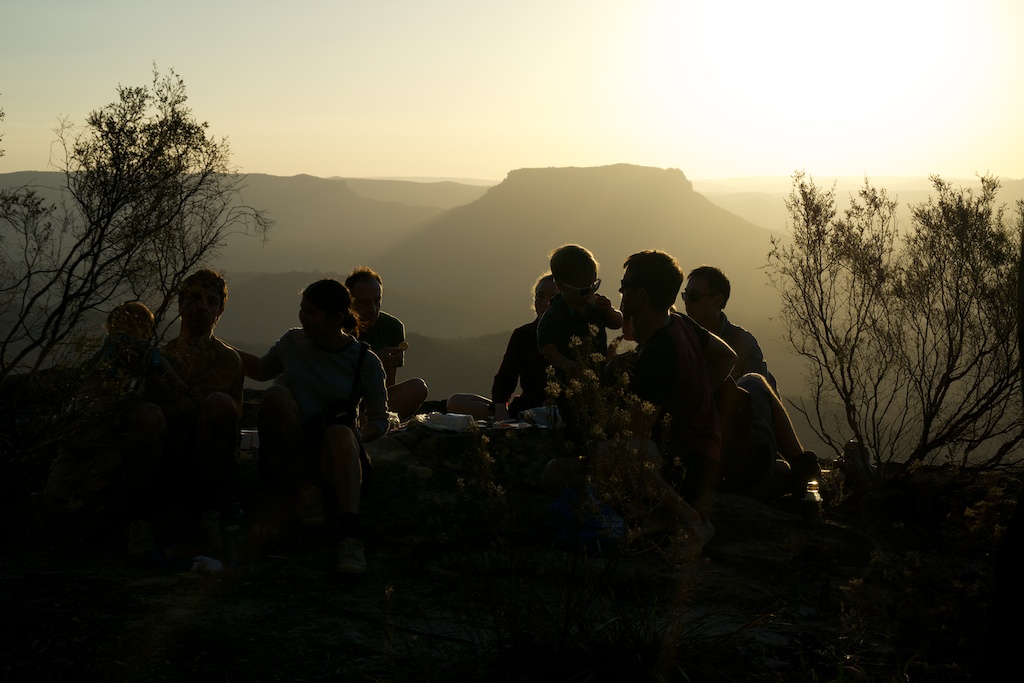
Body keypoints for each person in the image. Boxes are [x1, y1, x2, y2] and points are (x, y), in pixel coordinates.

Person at [237, 279, 388, 575]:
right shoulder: (293, 343)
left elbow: (380, 419)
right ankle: (305, 489)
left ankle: (349, 537)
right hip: (293, 450)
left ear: (336, 318)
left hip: (333, 456)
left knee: (340, 432)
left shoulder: (364, 361)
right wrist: (217, 347)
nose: (303, 318)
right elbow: (261, 370)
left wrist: (358, 435)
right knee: (275, 395)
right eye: (302, 309)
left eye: (311, 312)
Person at [618, 250, 738, 548]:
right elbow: (727, 356)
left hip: (683, 465)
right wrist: (697, 394)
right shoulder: (679, 323)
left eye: (625, 285)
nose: (620, 291)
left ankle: (691, 519)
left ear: (642, 294)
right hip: (705, 457)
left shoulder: (657, 353)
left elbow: (636, 434)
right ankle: (662, 520)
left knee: (614, 455)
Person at [39, 302, 175, 540]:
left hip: (73, 424)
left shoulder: (103, 352)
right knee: (105, 466)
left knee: (66, 466)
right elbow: (160, 366)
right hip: (101, 428)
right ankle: (86, 508)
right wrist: (179, 385)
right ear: (144, 331)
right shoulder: (135, 349)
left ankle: (50, 507)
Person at [149, 269, 245, 553]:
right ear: (180, 303)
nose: (200, 306)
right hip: (167, 449)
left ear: (220, 311)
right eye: (194, 298)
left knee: (219, 403)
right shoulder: (161, 356)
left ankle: (210, 509)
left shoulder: (227, 359)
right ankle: (140, 518)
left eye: (211, 301)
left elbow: (194, 408)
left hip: (206, 453)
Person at [446, 273, 557, 420]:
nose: (544, 303)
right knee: (456, 401)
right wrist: (500, 407)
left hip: (561, 410)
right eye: (540, 296)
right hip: (526, 409)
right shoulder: (522, 335)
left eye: (552, 298)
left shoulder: (574, 336)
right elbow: (505, 378)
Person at [344, 267, 427, 419]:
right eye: (364, 302)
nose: (373, 309)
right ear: (350, 302)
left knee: (418, 387)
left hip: (376, 401)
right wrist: (375, 361)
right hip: (344, 401)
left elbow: (389, 384)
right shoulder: (340, 327)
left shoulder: (393, 327)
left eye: (377, 301)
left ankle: (372, 421)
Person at [683, 265, 777, 391]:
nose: (687, 301)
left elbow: (760, 393)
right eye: (685, 295)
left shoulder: (744, 345)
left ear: (718, 301)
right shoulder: (679, 336)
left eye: (694, 296)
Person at [537, 244, 623, 379]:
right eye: (584, 290)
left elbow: (617, 323)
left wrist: (609, 311)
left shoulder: (597, 305)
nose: (590, 292)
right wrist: (564, 363)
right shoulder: (556, 312)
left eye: (594, 285)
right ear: (561, 287)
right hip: (569, 378)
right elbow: (546, 344)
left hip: (598, 374)